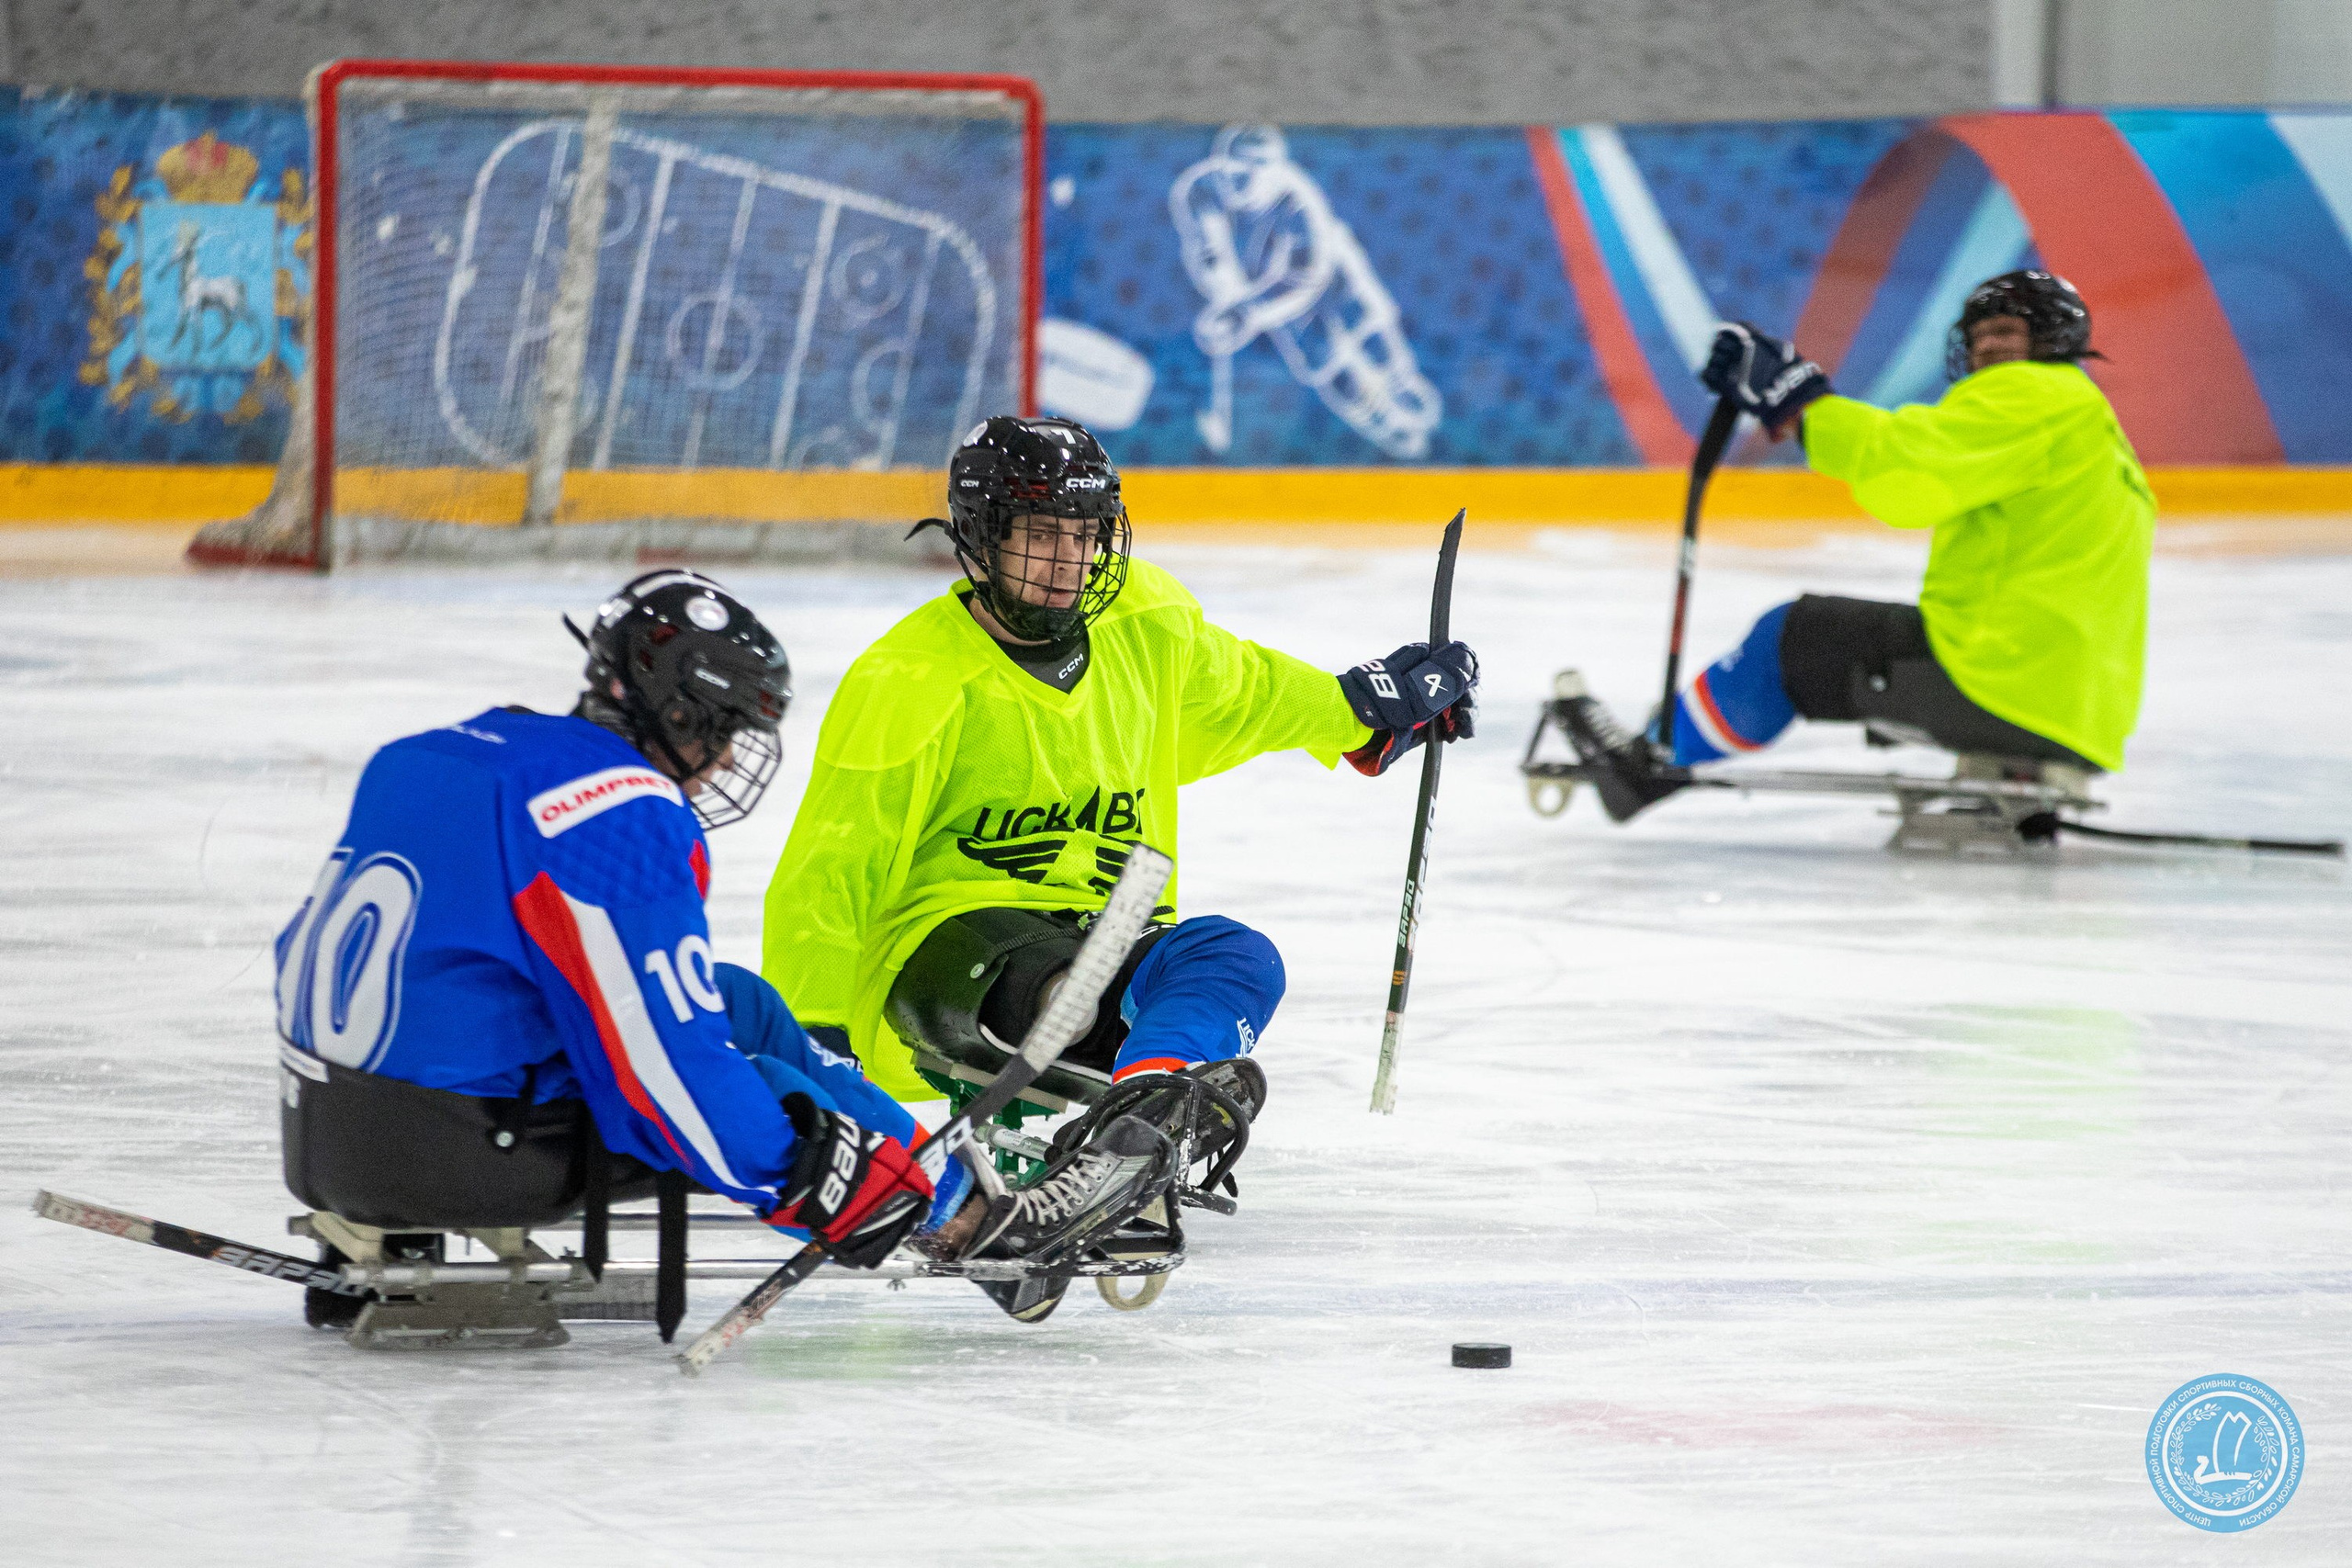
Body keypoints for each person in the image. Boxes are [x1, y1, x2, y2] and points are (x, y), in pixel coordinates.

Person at [275, 570, 1164, 1330]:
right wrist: (824, 1178)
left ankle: (939, 1174)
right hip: (446, 1150)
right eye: (726, 728)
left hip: (333, 1123)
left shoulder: (446, 752)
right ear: (677, 711)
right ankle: (965, 1221)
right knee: (760, 1092)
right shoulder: (610, 812)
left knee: (739, 1006)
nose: (727, 756)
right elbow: (671, 1076)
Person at [762, 415, 1479, 1320]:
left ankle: (1133, 1130)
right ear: (981, 541)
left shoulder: (1144, 623)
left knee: (1236, 956)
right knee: (1065, 985)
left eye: (1084, 533)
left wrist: (1366, 712)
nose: (1068, 558)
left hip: (1106, 934)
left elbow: (1247, 695)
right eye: (1040, 534)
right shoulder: (906, 681)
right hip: (943, 955)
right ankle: (1135, 1123)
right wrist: (815, 1047)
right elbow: (830, 878)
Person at [1554, 270, 2155, 821]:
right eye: (1979, 338)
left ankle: (1647, 764)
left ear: (2051, 340)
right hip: (2079, 714)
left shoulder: (2034, 394)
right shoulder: (2097, 433)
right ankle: (2011, 761)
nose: (1988, 349)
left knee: (1791, 638)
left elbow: (1908, 475)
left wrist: (1801, 403)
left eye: (2005, 332)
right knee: (1861, 637)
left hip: (2004, 684)